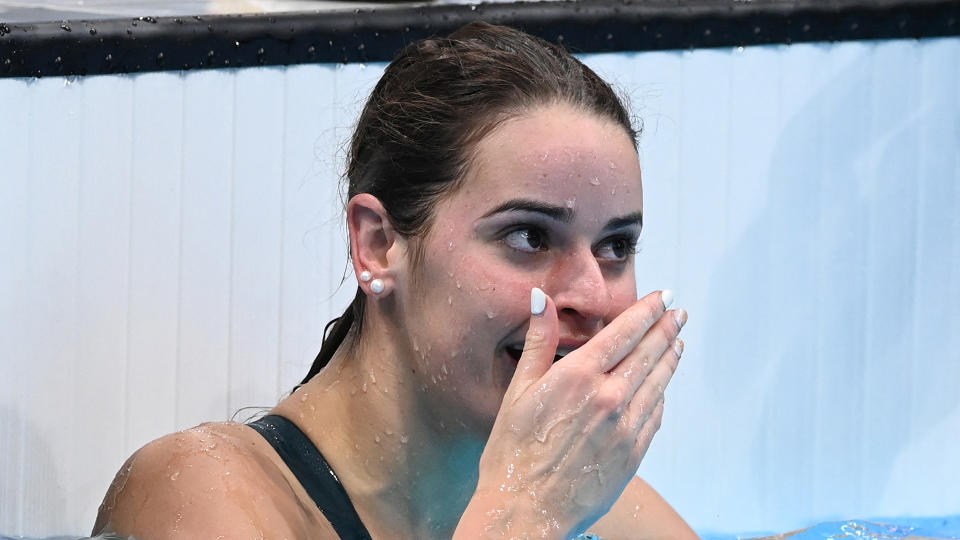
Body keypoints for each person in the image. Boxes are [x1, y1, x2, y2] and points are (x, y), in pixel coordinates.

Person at [92, 21, 696, 539]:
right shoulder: (207, 494)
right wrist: (522, 513)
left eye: (616, 246)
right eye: (529, 237)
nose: (593, 297)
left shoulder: (603, 510)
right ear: (378, 245)